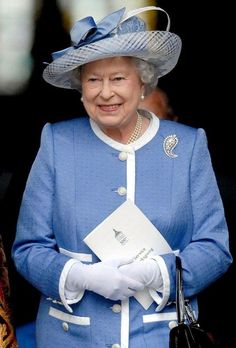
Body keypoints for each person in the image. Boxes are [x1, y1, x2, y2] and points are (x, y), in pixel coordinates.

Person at [11, 5, 232, 348]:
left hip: (159, 337)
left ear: (142, 81)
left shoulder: (187, 145)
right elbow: (28, 249)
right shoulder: (57, 141)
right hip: (72, 337)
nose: (105, 92)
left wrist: (157, 273)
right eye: (93, 80)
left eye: (118, 78)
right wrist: (79, 276)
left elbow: (215, 249)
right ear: (80, 88)